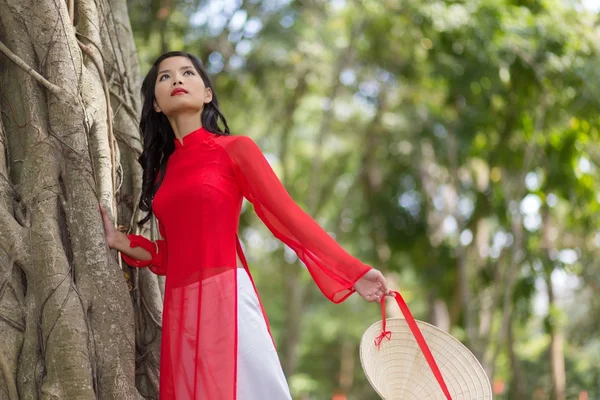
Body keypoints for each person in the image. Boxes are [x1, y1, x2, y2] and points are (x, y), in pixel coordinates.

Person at [100, 51, 390, 400]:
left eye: (187, 72)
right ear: (157, 104)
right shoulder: (163, 173)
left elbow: (288, 216)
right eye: (165, 77)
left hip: (227, 296)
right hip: (182, 309)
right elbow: (171, 256)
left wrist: (353, 272)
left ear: (207, 93)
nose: (177, 80)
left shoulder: (234, 149)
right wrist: (119, 240)